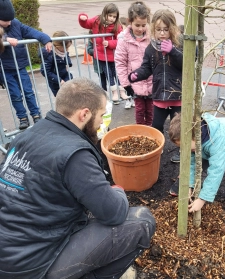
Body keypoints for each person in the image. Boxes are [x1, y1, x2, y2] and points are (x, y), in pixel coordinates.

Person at [0, 77, 156, 279]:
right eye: (101, 115)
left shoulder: (24, 137)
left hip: (7, 254)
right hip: (35, 265)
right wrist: (117, 191)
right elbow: (114, 213)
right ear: (84, 114)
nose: (101, 123)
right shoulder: (75, 154)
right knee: (141, 220)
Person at [168, 113, 225, 212]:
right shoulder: (191, 140)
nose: (184, 150)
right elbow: (191, 162)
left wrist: (202, 199)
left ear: (197, 137)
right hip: (209, 146)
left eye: (189, 148)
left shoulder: (217, 139)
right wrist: (188, 185)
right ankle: (183, 182)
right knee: (199, 164)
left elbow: (216, 170)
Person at [128, 9, 183, 163]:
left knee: (178, 127)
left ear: (172, 28)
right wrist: (137, 74)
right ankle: (158, 148)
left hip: (177, 96)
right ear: (153, 29)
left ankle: (182, 151)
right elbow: (147, 68)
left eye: (166, 29)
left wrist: (173, 51)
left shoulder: (180, 45)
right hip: (159, 95)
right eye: (158, 30)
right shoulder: (151, 48)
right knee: (156, 126)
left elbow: (186, 65)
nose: (162, 33)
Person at [0, 0, 52, 130]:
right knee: (15, 95)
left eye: (10, 19)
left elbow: (31, 31)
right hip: (6, 70)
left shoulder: (15, 23)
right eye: (5, 20)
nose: (9, 22)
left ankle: (36, 115)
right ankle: (22, 118)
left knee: (28, 92)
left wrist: (46, 39)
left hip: (21, 66)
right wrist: (5, 39)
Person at [79, 3, 128, 104]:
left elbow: (121, 39)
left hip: (114, 56)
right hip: (101, 57)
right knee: (109, 75)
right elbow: (86, 24)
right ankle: (114, 93)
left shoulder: (117, 25)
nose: (112, 19)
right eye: (110, 15)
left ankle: (122, 91)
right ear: (105, 13)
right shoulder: (97, 20)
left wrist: (110, 43)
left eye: (114, 16)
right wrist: (82, 18)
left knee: (118, 74)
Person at [115, 2, 153, 119]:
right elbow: (120, 63)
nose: (141, 29)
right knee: (140, 112)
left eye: (143, 25)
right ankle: (141, 133)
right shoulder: (124, 40)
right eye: (137, 25)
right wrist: (126, 84)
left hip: (152, 82)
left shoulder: (151, 37)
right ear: (129, 21)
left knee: (151, 112)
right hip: (135, 83)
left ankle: (151, 134)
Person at [39, 31, 73, 97]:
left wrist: (68, 63)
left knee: (71, 98)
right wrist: (59, 81)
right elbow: (45, 71)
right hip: (56, 82)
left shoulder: (64, 52)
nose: (67, 50)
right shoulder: (49, 54)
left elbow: (66, 61)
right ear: (58, 46)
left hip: (65, 78)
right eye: (65, 47)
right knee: (63, 99)